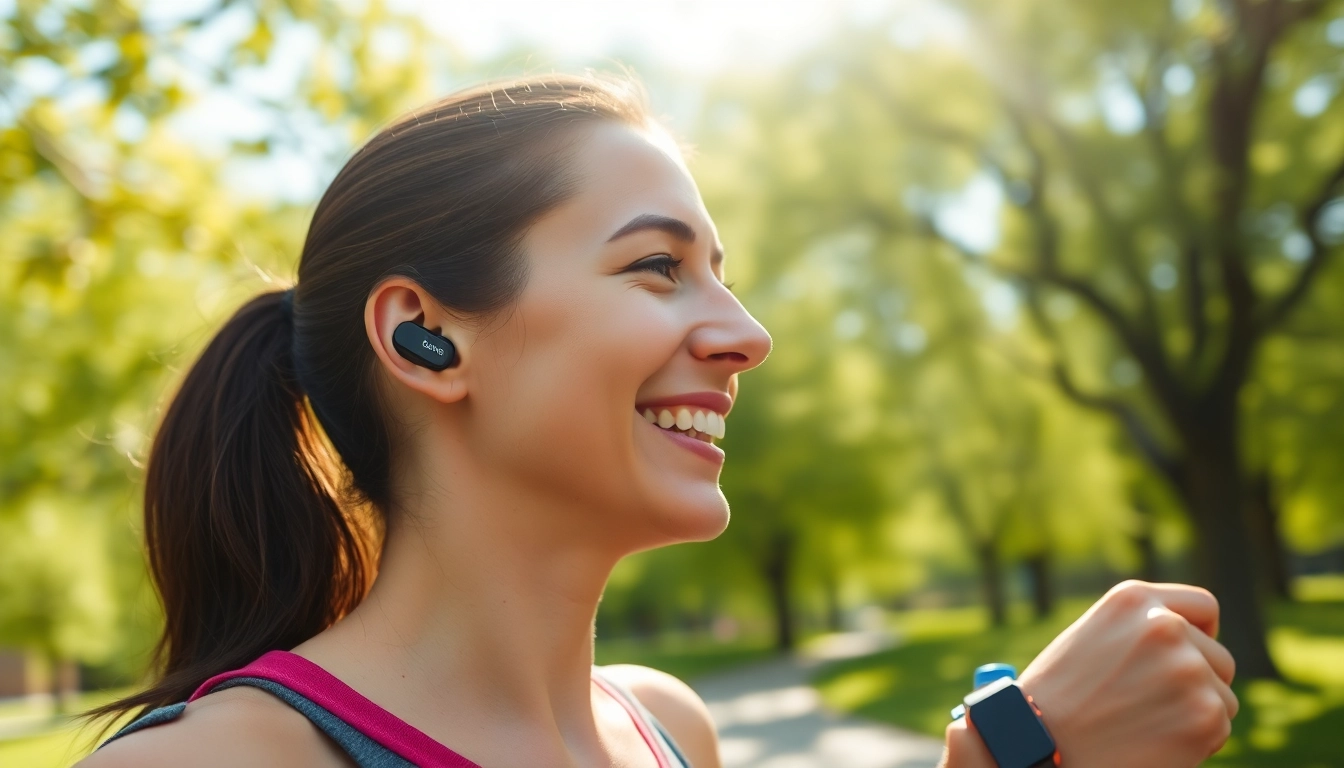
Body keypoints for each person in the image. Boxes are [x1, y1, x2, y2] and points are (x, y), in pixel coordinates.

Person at [80, 73, 1236, 768]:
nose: (746, 333)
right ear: (426, 338)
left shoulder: (670, 727)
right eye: (656, 266)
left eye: (722, 273)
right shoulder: (221, 760)